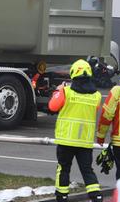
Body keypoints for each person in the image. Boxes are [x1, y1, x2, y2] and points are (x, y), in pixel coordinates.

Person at [49, 59, 103, 202]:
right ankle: (96, 196)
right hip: (84, 142)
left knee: (63, 169)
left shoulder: (66, 92)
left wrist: (59, 89)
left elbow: (52, 106)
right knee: (87, 170)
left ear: (73, 74)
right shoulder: (96, 96)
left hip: (66, 140)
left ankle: (62, 197)